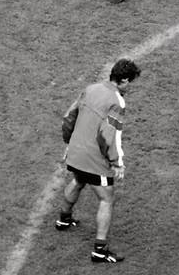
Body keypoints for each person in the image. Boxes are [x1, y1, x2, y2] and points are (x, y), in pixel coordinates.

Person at [55, 58, 143, 264]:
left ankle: (63, 219)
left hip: (76, 151)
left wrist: (70, 144)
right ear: (123, 80)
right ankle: (100, 250)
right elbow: (110, 135)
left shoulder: (90, 89)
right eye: (130, 82)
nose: (130, 87)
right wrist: (117, 162)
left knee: (78, 180)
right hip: (94, 158)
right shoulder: (117, 102)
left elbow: (69, 116)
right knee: (106, 199)